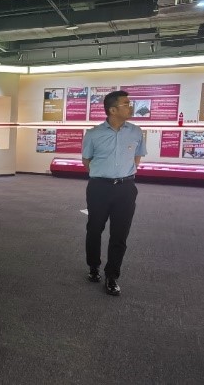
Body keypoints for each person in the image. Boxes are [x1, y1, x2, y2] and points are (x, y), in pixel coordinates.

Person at [81, 90, 146, 297]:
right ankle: (93, 266)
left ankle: (112, 276)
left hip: (126, 189)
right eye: (126, 104)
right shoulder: (93, 134)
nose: (130, 107)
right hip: (99, 188)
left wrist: (123, 175)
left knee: (120, 234)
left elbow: (137, 158)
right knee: (94, 229)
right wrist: (103, 175)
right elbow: (86, 160)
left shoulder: (136, 132)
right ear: (112, 110)